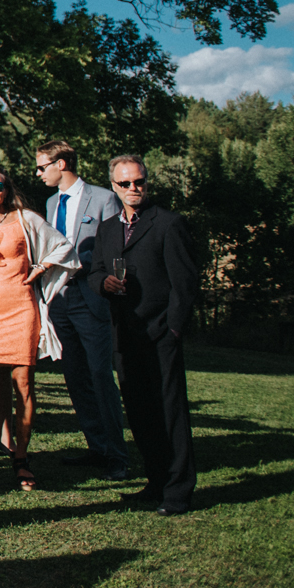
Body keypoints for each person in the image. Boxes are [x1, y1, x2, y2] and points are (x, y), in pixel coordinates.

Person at [0, 164, 76, 491]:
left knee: (23, 381)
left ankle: (20, 457)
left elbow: (65, 247)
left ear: (7, 189)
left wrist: (42, 267)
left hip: (20, 309)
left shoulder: (25, 219)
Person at [96, 155, 198, 516]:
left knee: (170, 413)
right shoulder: (108, 228)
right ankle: (156, 481)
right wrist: (103, 283)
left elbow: (185, 285)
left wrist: (172, 328)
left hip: (160, 334)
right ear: (114, 186)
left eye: (139, 182)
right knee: (139, 412)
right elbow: (95, 270)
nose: (133, 189)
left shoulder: (168, 224)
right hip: (125, 333)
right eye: (125, 184)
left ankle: (178, 491)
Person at [35, 140, 129, 481]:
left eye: (42, 166)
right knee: (75, 377)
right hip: (60, 300)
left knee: (101, 376)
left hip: (91, 297)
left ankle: (118, 455)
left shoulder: (104, 199)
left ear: (62, 164)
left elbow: (116, 249)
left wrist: (111, 280)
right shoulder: (50, 203)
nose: (38, 173)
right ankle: (97, 446)